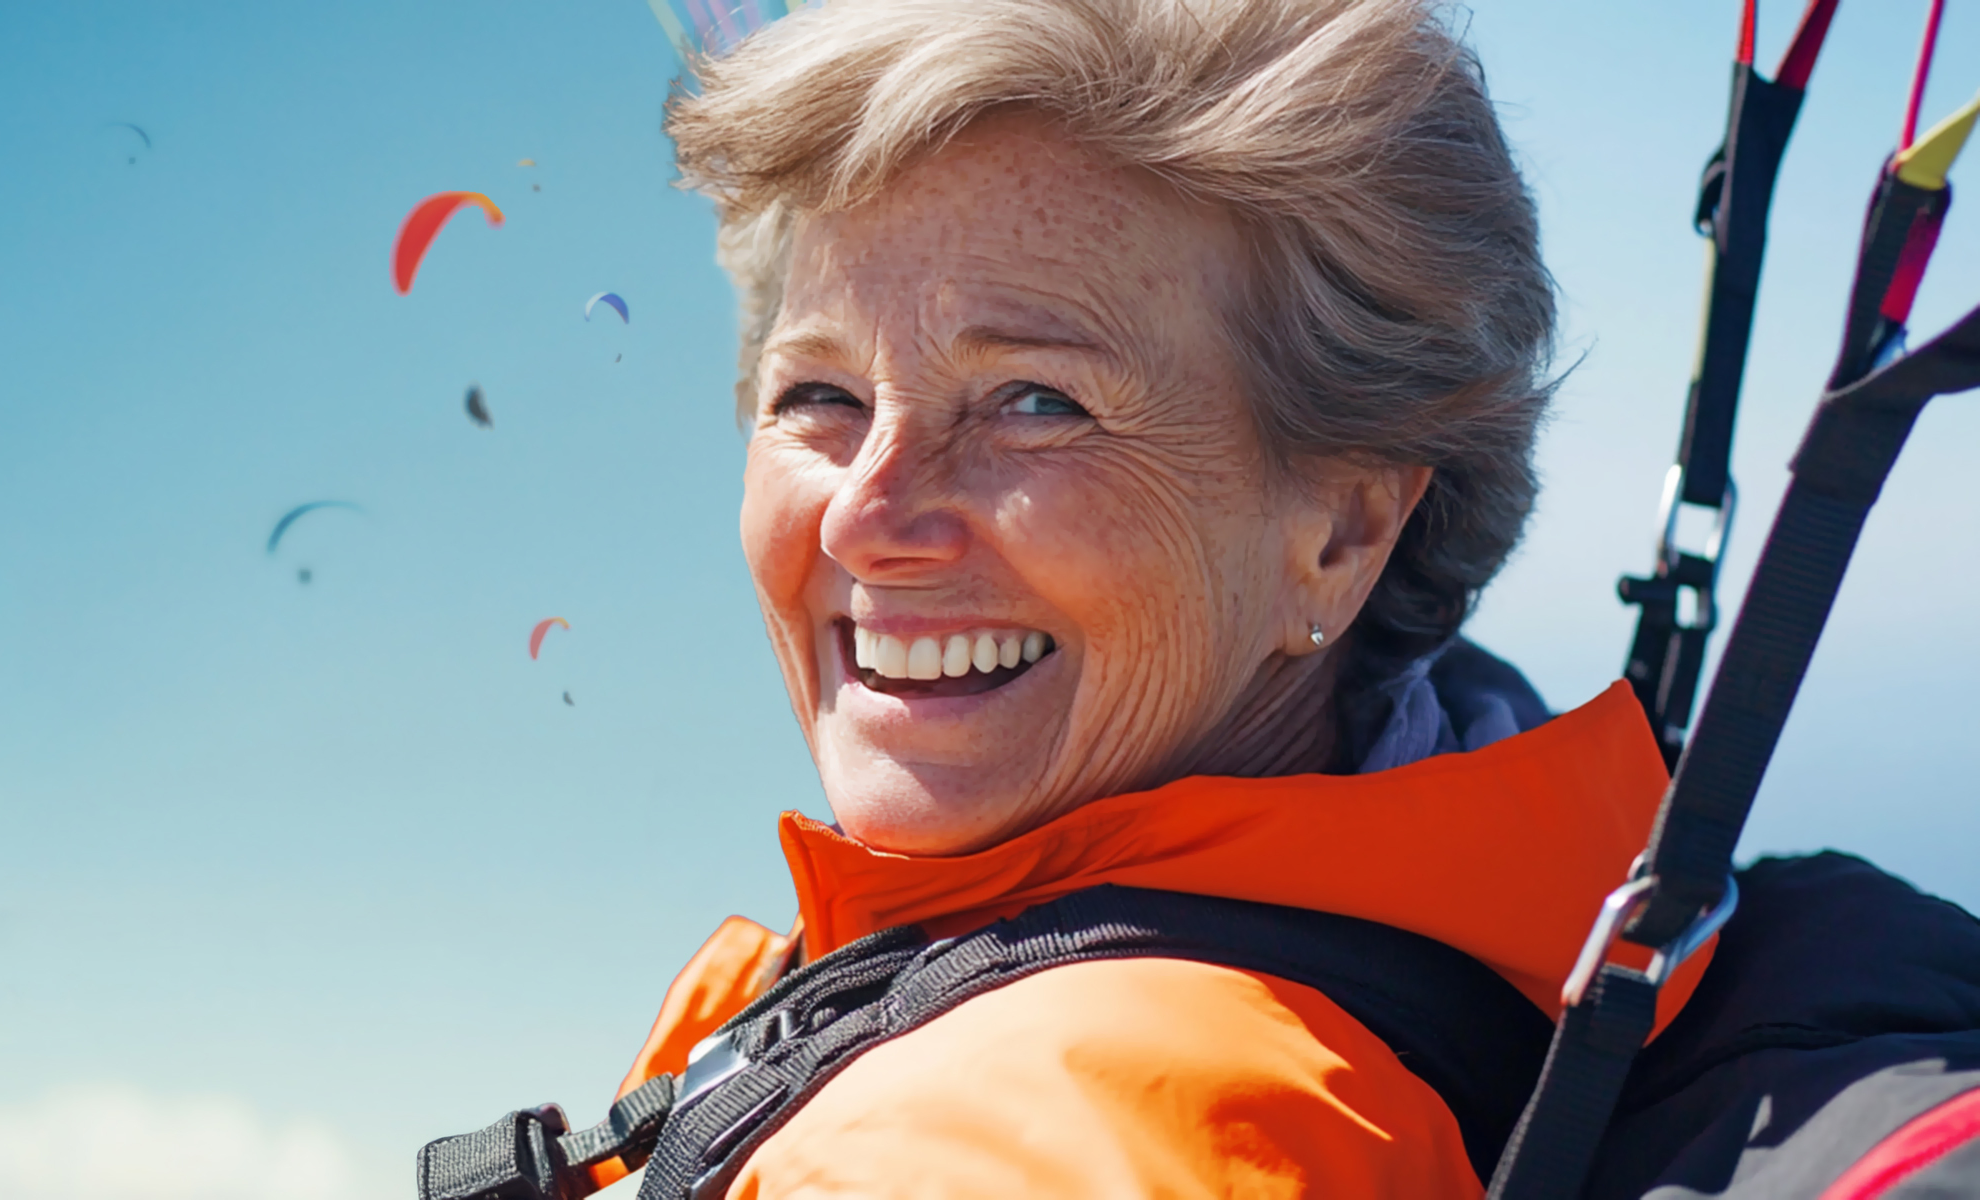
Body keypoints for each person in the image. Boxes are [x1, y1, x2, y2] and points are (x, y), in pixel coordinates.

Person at [419, 1, 1980, 1196]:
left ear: (1344, 530)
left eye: (1036, 402)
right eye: (818, 394)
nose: (875, 516)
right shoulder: (1458, 923)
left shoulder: (1042, 1126)